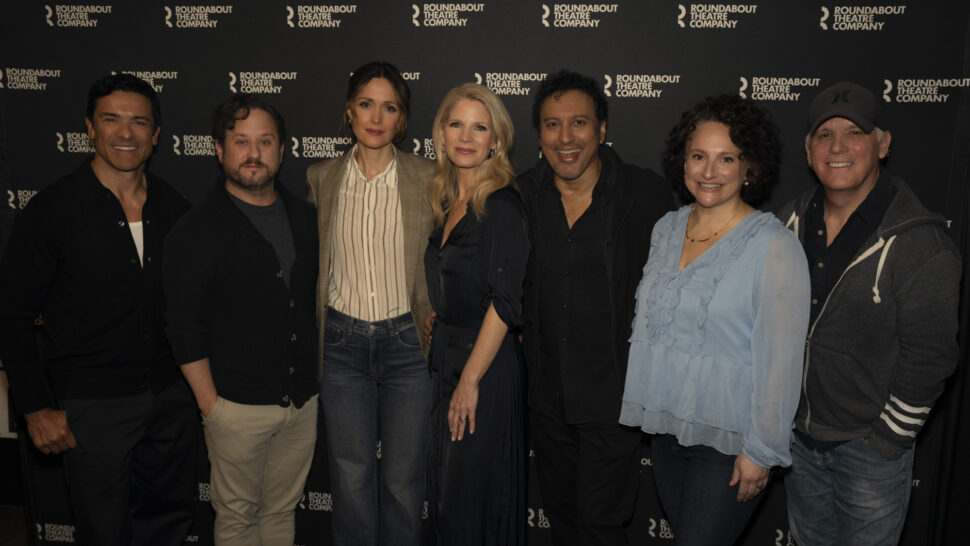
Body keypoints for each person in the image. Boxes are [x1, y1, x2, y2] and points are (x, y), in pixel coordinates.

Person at [0, 73, 197, 546]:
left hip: (171, 401)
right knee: (103, 532)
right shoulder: (52, 211)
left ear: (156, 135)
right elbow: (11, 315)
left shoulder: (176, 208)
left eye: (138, 122)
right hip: (91, 410)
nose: (125, 134)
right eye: (111, 120)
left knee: (168, 524)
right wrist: (33, 408)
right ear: (89, 127)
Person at [619, 94, 811, 545]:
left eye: (728, 159)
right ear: (681, 162)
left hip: (730, 445)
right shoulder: (666, 229)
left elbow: (781, 361)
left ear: (750, 168)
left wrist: (761, 451)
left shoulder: (774, 246)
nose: (710, 171)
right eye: (699, 156)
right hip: (668, 433)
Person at [779, 81, 960, 546]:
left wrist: (885, 443)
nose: (837, 146)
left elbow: (931, 358)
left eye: (854, 132)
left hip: (867, 451)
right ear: (808, 150)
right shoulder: (786, 224)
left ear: (883, 144)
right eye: (824, 135)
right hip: (797, 441)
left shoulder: (921, 244)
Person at [519, 69, 674, 545]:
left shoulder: (644, 195)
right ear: (539, 134)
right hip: (547, 400)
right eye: (552, 125)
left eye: (579, 123)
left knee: (601, 529)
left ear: (602, 129)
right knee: (564, 524)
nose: (566, 138)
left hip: (614, 401)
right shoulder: (520, 197)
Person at [164, 94, 319, 546]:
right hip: (234, 408)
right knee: (236, 519)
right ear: (219, 149)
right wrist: (213, 407)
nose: (254, 153)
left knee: (280, 513)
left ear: (283, 149)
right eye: (241, 141)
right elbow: (183, 325)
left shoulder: (307, 218)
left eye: (265, 141)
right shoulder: (194, 231)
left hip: (301, 404)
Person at [305, 61, 435, 546]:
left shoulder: (429, 178)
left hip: (408, 345)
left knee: (404, 484)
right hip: (341, 344)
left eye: (389, 107)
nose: (376, 117)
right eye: (366, 104)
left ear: (401, 119)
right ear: (348, 111)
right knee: (350, 479)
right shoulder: (320, 178)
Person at [424, 83, 529, 546]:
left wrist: (469, 382)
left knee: (473, 507)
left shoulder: (501, 204)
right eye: (457, 124)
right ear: (442, 135)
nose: (467, 136)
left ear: (496, 141)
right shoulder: (448, 203)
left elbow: (505, 303)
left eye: (479, 127)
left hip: (482, 372)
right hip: (449, 359)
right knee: (448, 501)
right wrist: (440, 314)